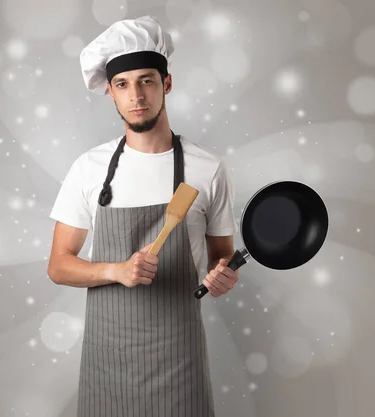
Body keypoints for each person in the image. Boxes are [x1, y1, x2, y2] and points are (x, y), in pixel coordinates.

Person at [47, 15, 239, 417]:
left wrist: (224, 276)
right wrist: (115, 271)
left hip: (179, 360)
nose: (136, 95)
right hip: (109, 360)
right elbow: (58, 266)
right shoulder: (89, 167)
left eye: (146, 80)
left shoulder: (208, 169)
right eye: (122, 84)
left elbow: (223, 255)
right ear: (111, 93)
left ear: (166, 83)